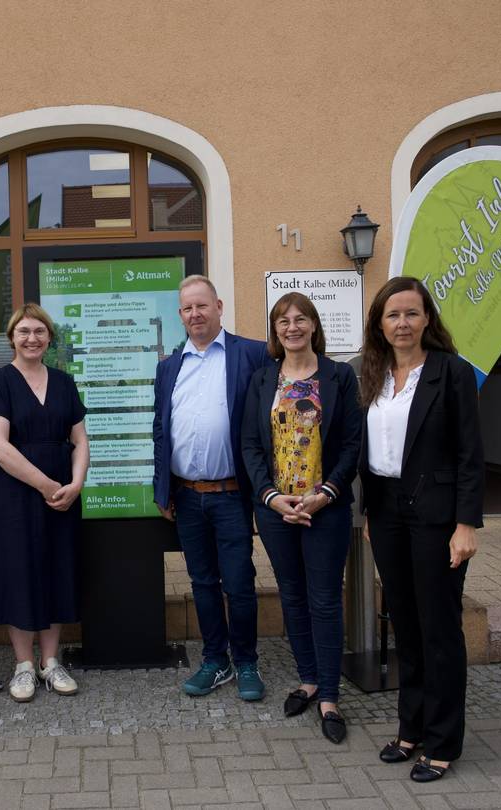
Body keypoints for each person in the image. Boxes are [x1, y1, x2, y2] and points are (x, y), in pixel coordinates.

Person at [358, 276, 484, 782]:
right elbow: (372, 455)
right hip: (387, 513)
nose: (402, 323)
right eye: (393, 315)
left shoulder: (452, 373)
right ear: (380, 324)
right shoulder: (372, 374)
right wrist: (369, 512)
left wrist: (466, 524)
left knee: (438, 629)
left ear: (427, 318)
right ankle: (409, 728)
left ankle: (441, 742)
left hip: (436, 515)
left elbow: (470, 455)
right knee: (405, 625)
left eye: (411, 313)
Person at [241, 292, 361, 744]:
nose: (292, 327)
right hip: (275, 511)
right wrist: (271, 497)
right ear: (275, 331)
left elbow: (352, 443)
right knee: (291, 595)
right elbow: (250, 446)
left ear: (314, 325)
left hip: (324, 508)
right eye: (282, 321)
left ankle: (329, 695)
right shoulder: (261, 380)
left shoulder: (339, 376)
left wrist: (325, 493)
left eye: (300, 319)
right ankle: (307, 679)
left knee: (325, 599)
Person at [153, 276, 272, 700]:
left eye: (201, 306)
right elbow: (161, 431)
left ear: (219, 306)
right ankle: (214, 660)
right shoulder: (170, 366)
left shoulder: (253, 354)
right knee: (202, 582)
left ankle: (246, 662)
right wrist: (161, 488)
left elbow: (268, 425)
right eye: (186, 309)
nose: (194, 315)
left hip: (232, 495)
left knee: (238, 583)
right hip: (186, 496)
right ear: (180, 314)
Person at [0, 303, 90, 702]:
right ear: (12, 337)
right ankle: (23, 665)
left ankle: (51, 661)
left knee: (56, 568)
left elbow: (79, 439)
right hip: (18, 495)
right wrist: (47, 485)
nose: (31, 338)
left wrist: (76, 483)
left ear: (49, 338)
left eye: (39, 332)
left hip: (62, 495)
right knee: (20, 571)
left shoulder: (63, 382)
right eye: (24, 331)